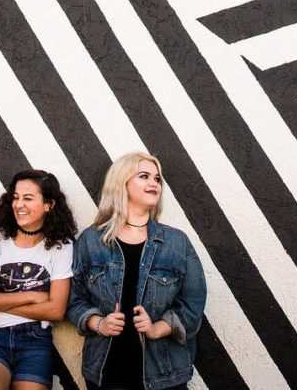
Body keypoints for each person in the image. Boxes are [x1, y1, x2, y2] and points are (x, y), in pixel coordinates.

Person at [68, 151, 206, 390]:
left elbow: (193, 304)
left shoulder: (176, 242)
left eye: (157, 179)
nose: (154, 183)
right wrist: (99, 323)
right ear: (122, 182)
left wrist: (156, 329)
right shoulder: (91, 240)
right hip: (106, 372)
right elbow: (72, 299)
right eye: (144, 176)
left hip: (164, 374)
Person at [0, 169, 77, 389]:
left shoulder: (61, 245)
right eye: (16, 198)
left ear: (49, 205)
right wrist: (34, 297)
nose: (19, 205)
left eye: (28, 198)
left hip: (35, 342)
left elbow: (56, 310)